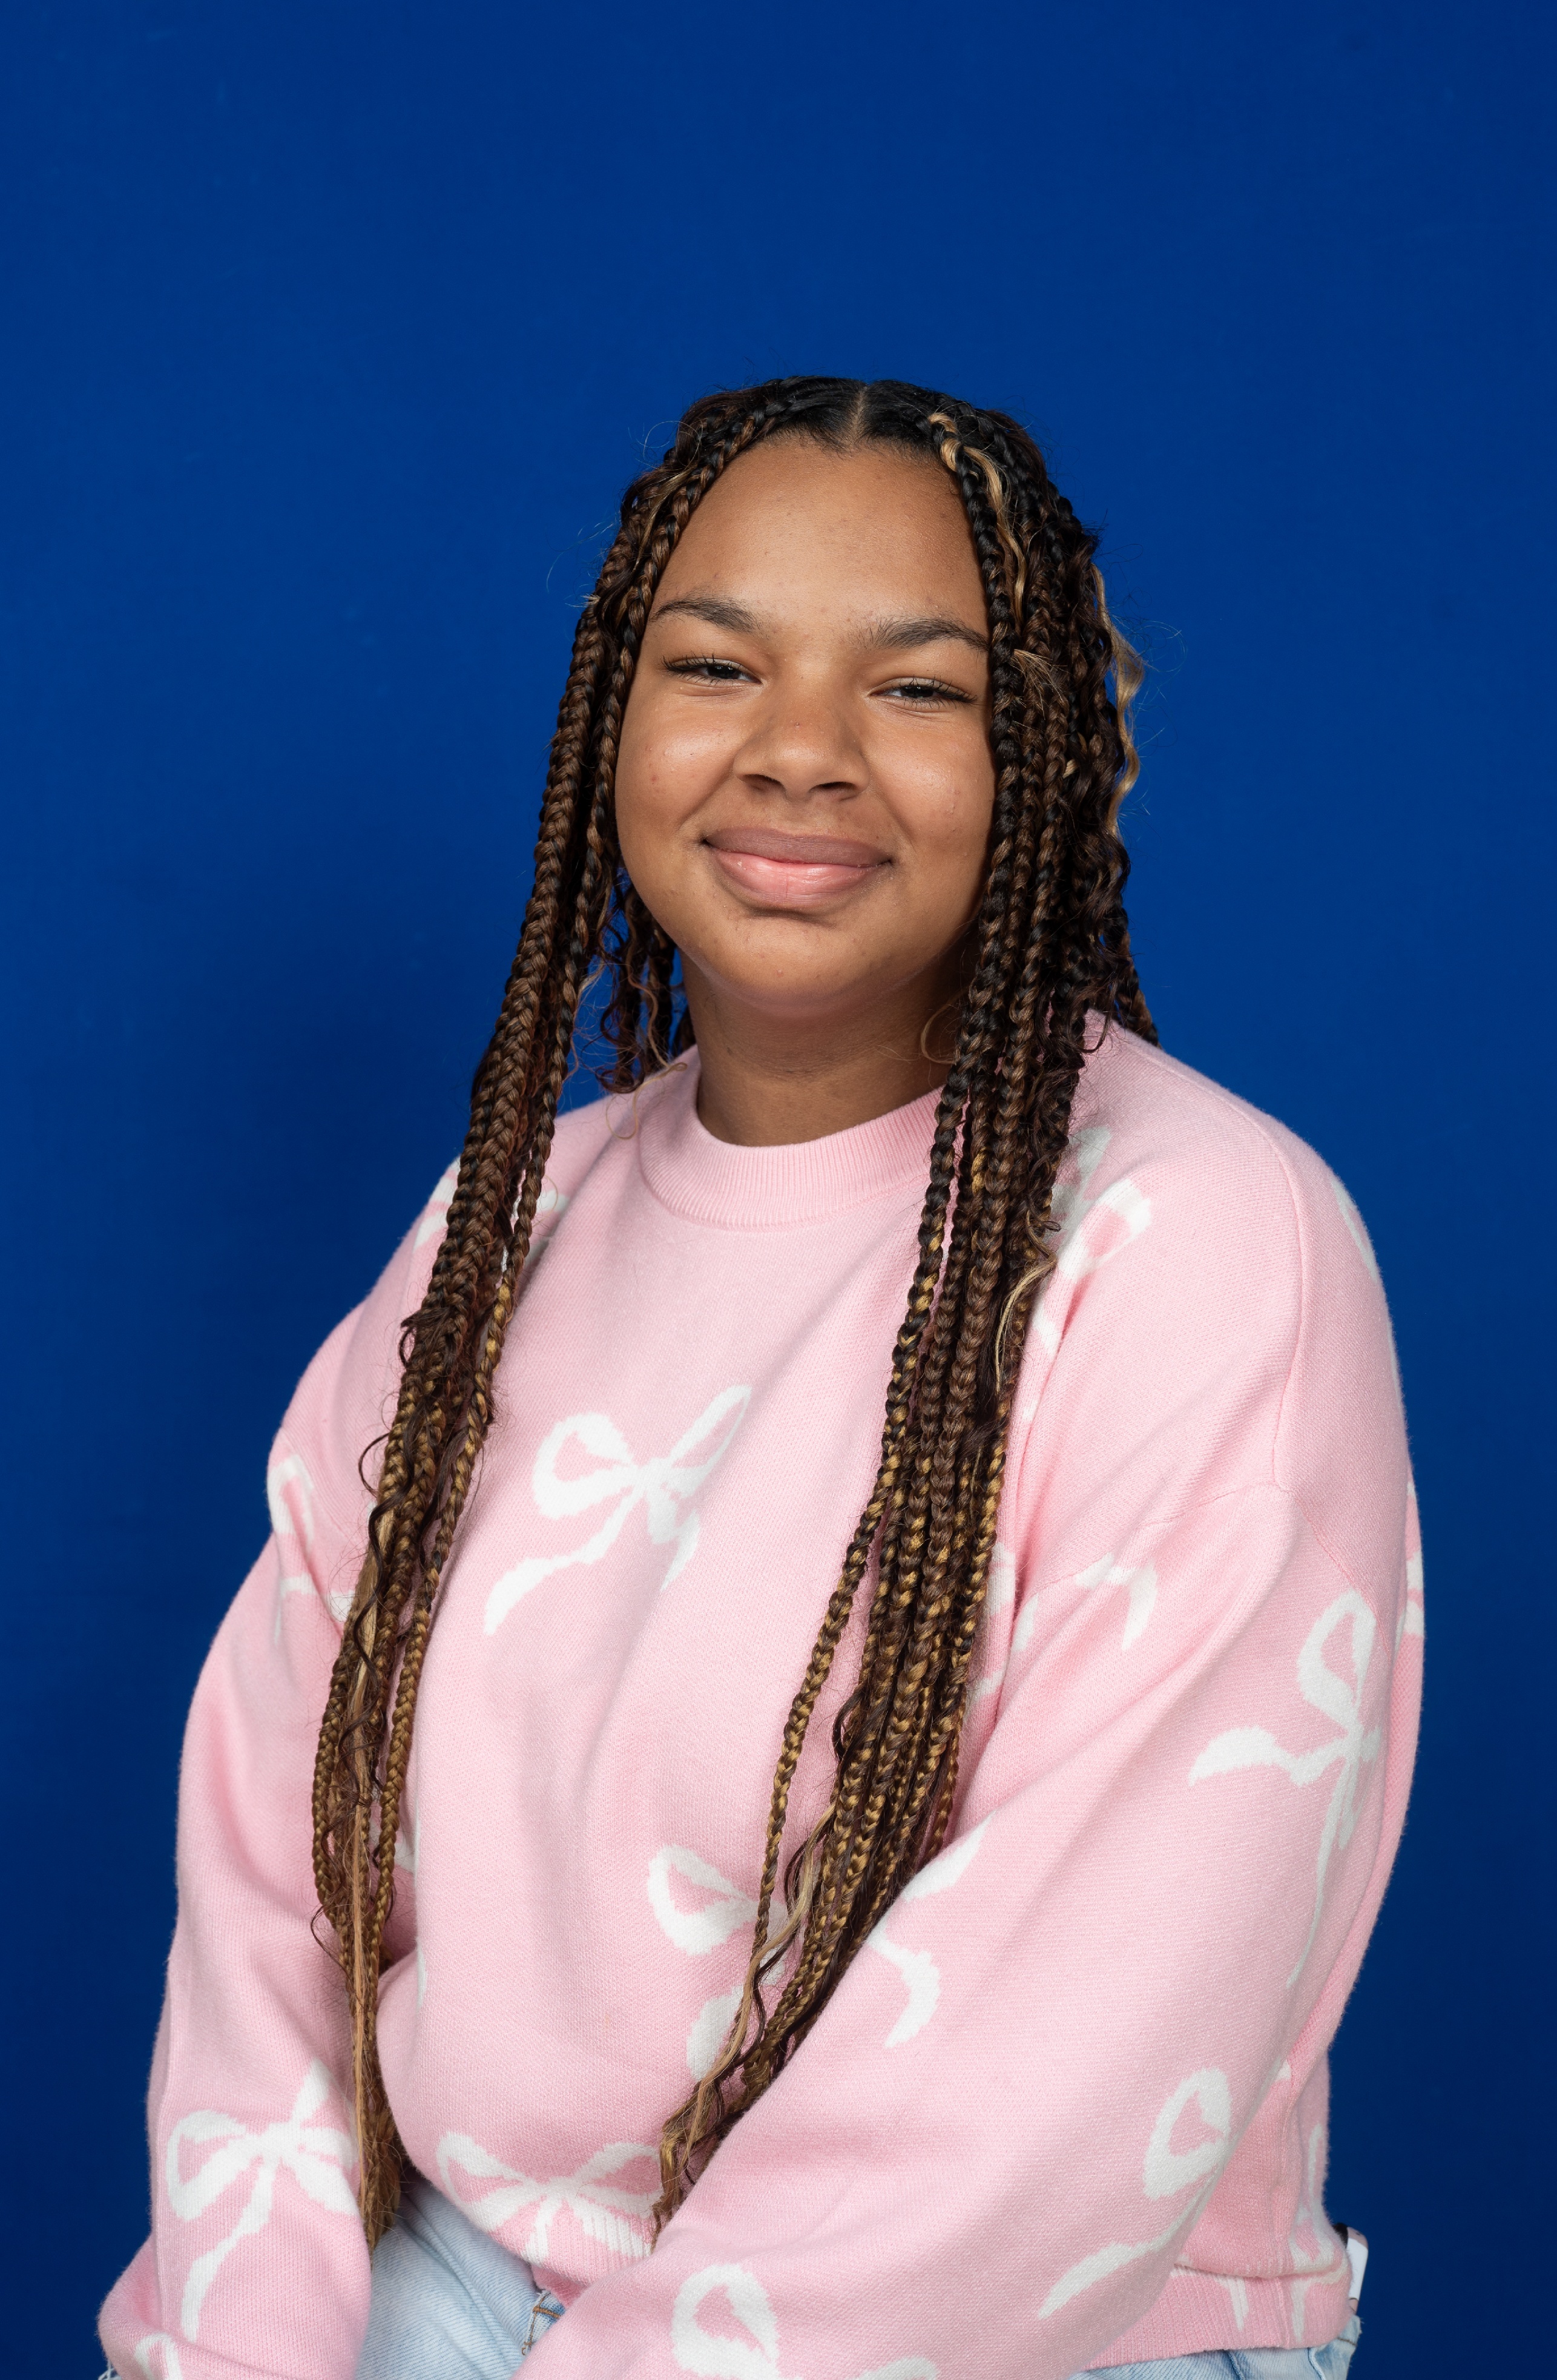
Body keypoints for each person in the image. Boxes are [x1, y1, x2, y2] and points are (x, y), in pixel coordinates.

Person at [99, 377, 1420, 2380]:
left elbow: (1056, 2079)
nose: (799, 748)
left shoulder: (1209, 1243)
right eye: (717, 664)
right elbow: (271, 1870)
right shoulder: (507, 1223)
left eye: (918, 688)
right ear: (612, 723)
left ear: (1053, 757)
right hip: (468, 2269)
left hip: (1025, 2326)